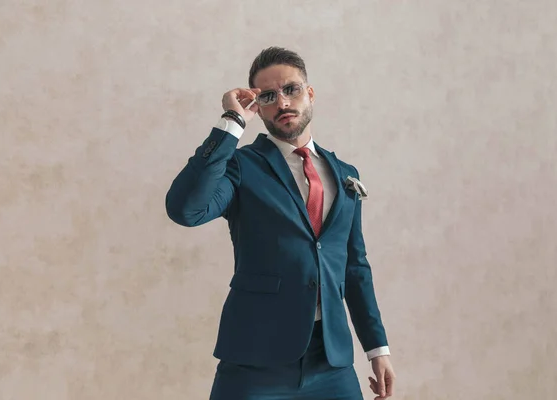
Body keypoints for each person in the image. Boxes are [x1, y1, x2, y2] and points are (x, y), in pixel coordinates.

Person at [165, 46, 396, 400]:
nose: (283, 103)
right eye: (269, 96)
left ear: (310, 93)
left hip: (331, 363)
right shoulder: (241, 167)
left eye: (291, 89)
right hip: (255, 361)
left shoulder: (346, 175)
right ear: (257, 107)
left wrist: (377, 349)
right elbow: (186, 209)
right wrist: (231, 122)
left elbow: (355, 267)